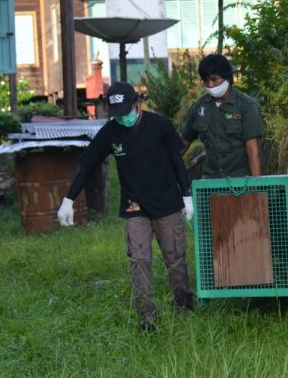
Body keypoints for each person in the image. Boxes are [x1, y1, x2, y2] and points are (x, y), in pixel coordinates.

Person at [57, 81, 194, 331]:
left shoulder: (159, 125)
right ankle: (147, 318)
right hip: (134, 205)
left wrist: (186, 194)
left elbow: (177, 160)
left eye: (126, 112)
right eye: (117, 113)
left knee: (175, 258)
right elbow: (88, 165)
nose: (123, 118)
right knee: (139, 259)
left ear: (137, 104)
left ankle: (183, 307)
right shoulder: (111, 131)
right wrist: (68, 199)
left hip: (166, 203)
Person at [181, 54, 262, 177]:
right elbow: (184, 141)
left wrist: (257, 187)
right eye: (206, 81)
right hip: (211, 180)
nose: (210, 85)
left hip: (240, 181)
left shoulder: (246, 106)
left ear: (228, 78)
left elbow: (252, 148)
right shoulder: (200, 107)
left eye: (214, 79)